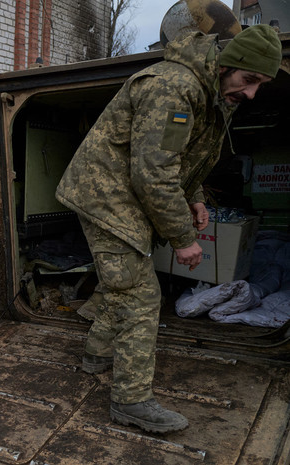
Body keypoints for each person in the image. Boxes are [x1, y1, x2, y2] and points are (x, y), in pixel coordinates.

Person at [55, 25, 282, 433]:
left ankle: (97, 354)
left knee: (122, 283)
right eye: (249, 80)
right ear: (229, 63)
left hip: (124, 194)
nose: (251, 94)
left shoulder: (214, 91)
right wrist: (184, 239)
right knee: (141, 296)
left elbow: (183, 156)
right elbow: (152, 174)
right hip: (105, 195)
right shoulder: (173, 87)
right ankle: (131, 401)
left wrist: (193, 195)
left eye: (260, 86)